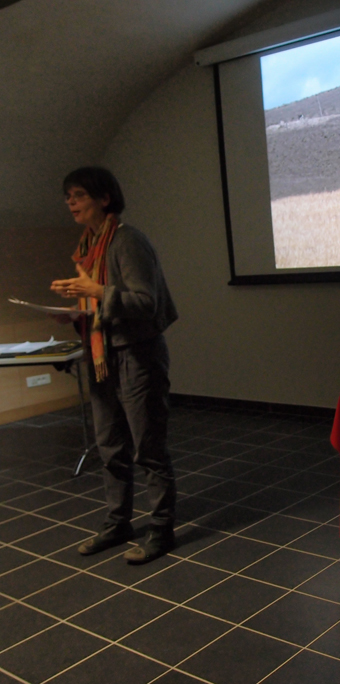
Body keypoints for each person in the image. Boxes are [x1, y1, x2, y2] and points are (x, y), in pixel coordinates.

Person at [51, 167, 178, 564]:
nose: (70, 203)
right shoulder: (88, 246)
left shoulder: (127, 241)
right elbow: (100, 304)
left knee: (148, 449)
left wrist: (97, 291)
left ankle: (162, 529)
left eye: (78, 195)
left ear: (104, 198)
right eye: (68, 197)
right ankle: (118, 522)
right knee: (110, 447)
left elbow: (146, 302)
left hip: (137, 356)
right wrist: (74, 312)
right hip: (102, 355)